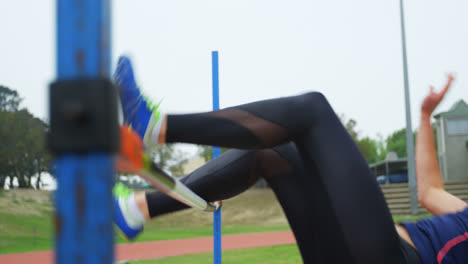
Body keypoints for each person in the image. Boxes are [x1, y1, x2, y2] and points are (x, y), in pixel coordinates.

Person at [112, 55, 467, 264]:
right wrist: (424, 117)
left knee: (313, 111)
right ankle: (139, 208)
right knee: (273, 153)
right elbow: (431, 191)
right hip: (355, 250)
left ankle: (155, 128)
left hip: (392, 257)